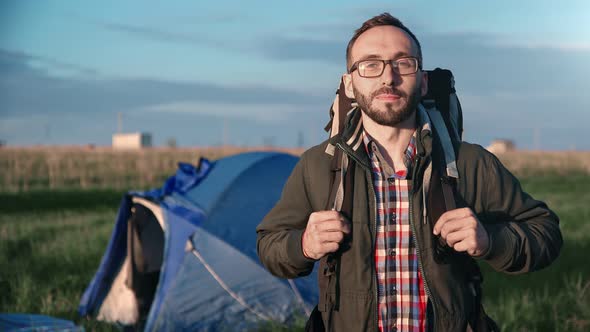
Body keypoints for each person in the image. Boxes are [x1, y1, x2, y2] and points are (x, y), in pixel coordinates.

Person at [256, 12, 562, 332]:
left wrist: (491, 240)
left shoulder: (470, 162)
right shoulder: (318, 165)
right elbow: (270, 245)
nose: (388, 78)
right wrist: (304, 245)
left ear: (423, 79)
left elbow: (546, 234)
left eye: (403, 63)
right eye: (370, 64)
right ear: (349, 82)